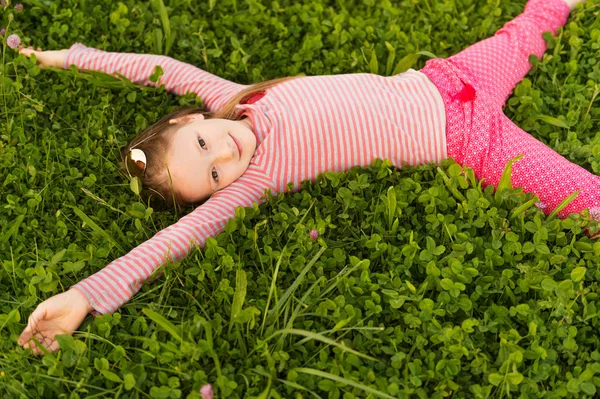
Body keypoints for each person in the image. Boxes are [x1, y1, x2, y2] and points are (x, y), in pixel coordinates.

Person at [17, 0, 593, 355]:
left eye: (202, 141)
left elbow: (155, 69)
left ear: (190, 117)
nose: (225, 153)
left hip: (445, 80)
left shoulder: (231, 99)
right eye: (214, 174)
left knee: (525, 32)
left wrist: (66, 56)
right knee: (584, 200)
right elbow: (170, 243)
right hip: (470, 144)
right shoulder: (257, 178)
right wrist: (84, 294)